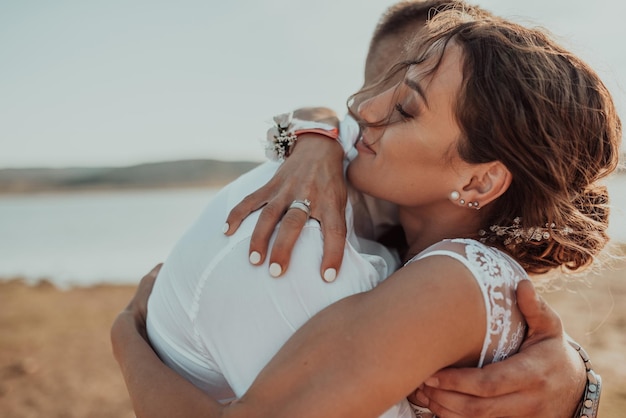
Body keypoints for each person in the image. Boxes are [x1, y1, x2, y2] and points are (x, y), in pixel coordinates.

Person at [111, 2, 620, 417]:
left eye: (404, 108)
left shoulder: (456, 281)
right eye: (391, 80)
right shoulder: (428, 256)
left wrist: (129, 344)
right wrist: (317, 136)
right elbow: (324, 116)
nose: (364, 108)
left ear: (480, 179)